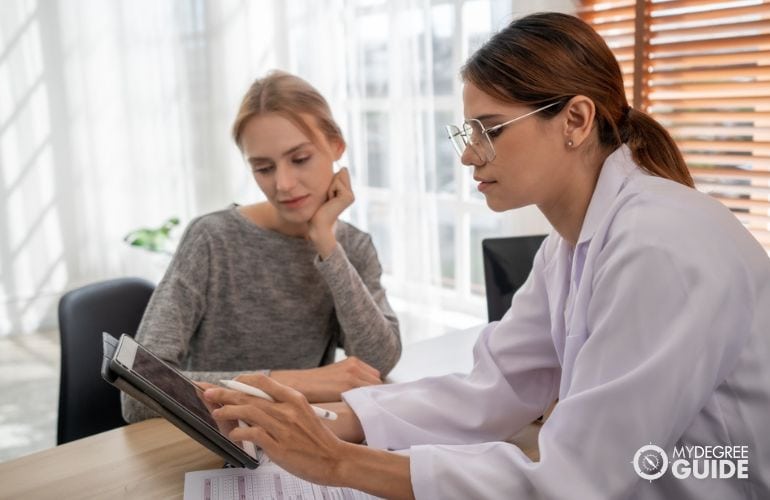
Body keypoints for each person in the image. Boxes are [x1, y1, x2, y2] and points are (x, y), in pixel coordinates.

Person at [202, 13, 770, 499]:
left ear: (575, 120)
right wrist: (329, 420)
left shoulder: (659, 247)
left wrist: (337, 463)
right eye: (467, 131)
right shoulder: (568, 247)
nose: (471, 155)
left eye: (491, 129)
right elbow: (494, 386)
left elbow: (577, 479)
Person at [122, 71, 401, 423]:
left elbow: (377, 363)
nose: (283, 184)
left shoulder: (351, 247)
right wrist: (292, 383)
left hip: (301, 438)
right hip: (217, 438)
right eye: (263, 168)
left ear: (336, 145)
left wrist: (326, 244)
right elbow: (140, 388)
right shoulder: (212, 239)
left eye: (299, 159)